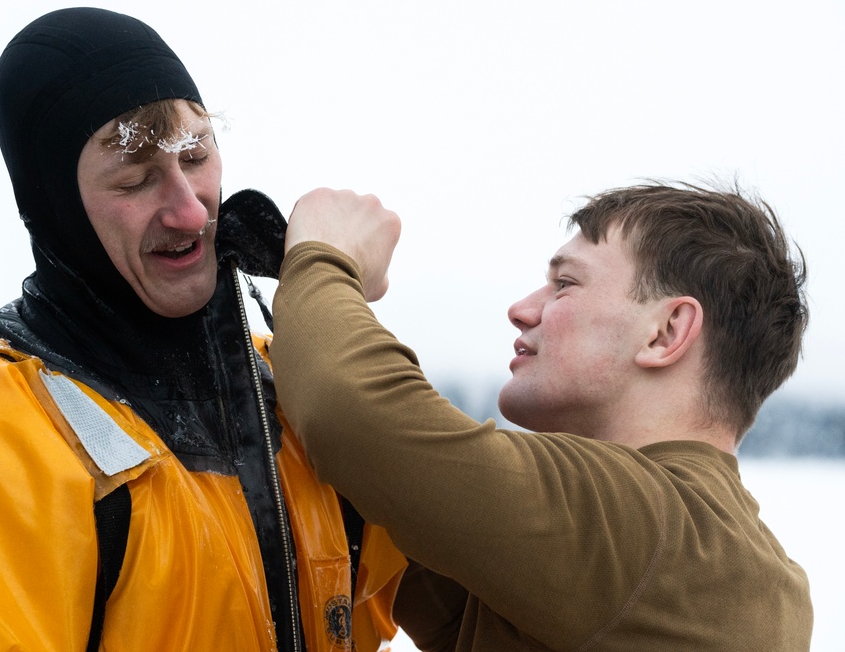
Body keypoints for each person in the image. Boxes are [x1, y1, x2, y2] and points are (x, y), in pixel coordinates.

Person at [0, 8, 407, 652]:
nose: (190, 210)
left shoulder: (299, 392)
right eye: (136, 180)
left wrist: (335, 310)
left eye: (195, 157)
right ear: (56, 207)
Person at [268, 183, 813, 650]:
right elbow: (405, 520)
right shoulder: (744, 568)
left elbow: (357, 416)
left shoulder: (646, 529)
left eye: (566, 283)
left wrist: (322, 255)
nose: (523, 308)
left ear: (666, 332)